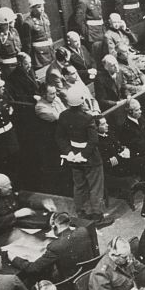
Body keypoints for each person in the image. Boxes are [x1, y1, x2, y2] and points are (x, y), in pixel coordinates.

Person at [57, 88, 112, 225]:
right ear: (82, 102)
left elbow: (60, 137)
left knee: (79, 185)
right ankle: (97, 216)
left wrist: (70, 152)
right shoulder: (87, 118)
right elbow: (94, 140)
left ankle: (81, 213)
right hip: (90, 158)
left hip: (73, 156)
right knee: (95, 187)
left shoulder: (63, 115)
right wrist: (83, 155)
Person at [12, 211, 96, 282]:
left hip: (70, 279)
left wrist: (14, 259)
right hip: (89, 272)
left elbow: (33, 268)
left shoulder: (55, 247)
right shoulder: (83, 231)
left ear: (55, 226)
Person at [0, 172, 56, 236]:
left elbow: (26, 203)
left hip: (18, 228)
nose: (10, 187)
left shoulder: (9, 193)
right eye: (6, 186)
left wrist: (42, 204)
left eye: (10, 184)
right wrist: (15, 214)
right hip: (3, 234)